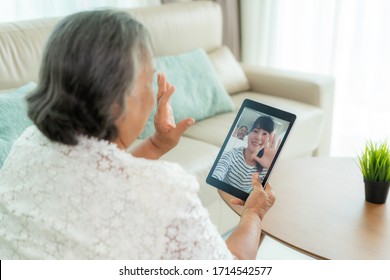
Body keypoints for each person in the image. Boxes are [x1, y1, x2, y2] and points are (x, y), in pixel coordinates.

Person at [0, 10, 275, 260]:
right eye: (147, 80)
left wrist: (155, 144)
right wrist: (253, 213)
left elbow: (95, 180)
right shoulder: (166, 192)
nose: (152, 93)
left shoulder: (26, 144)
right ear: (115, 99)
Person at [213, 115, 279, 193]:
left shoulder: (265, 167)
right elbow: (218, 172)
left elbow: (262, 195)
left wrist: (271, 169)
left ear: (269, 139)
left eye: (264, 133)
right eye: (255, 131)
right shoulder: (232, 154)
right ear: (249, 134)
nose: (258, 137)